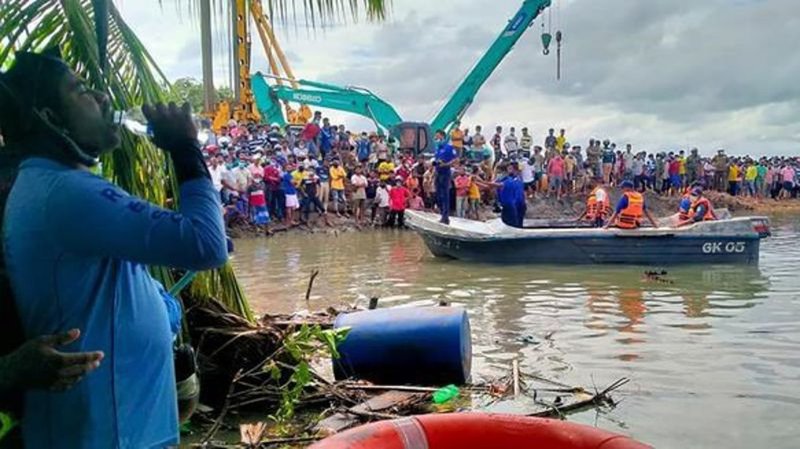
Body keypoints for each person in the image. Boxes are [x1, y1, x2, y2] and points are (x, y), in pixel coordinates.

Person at [0, 48, 228, 448]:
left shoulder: (53, 186)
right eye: (81, 91)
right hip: (106, 433)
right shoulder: (66, 193)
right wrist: (185, 148)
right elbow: (207, 245)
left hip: (124, 427)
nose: (102, 97)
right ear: (50, 117)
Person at [433, 130, 457, 224]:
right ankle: (442, 212)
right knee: (438, 195)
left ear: (442, 136)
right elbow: (436, 159)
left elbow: (455, 159)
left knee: (445, 195)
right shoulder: (437, 148)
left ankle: (445, 217)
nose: (436, 138)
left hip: (445, 172)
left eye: (437, 136)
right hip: (437, 172)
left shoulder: (449, 147)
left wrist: (446, 164)